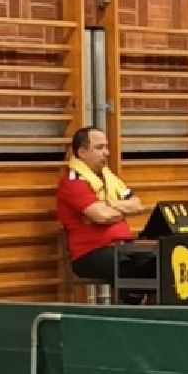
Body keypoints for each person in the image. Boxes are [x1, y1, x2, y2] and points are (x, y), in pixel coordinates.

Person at [57, 125, 154, 301]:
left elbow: (137, 205)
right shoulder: (73, 182)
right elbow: (101, 216)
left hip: (122, 247)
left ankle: (145, 309)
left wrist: (108, 205)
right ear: (82, 152)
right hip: (90, 254)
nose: (107, 152)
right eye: (99, 147)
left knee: (158, 262)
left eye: (106, 147)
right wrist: (122, 210)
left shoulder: (110, 178)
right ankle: (128, 312)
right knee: (128, 267)